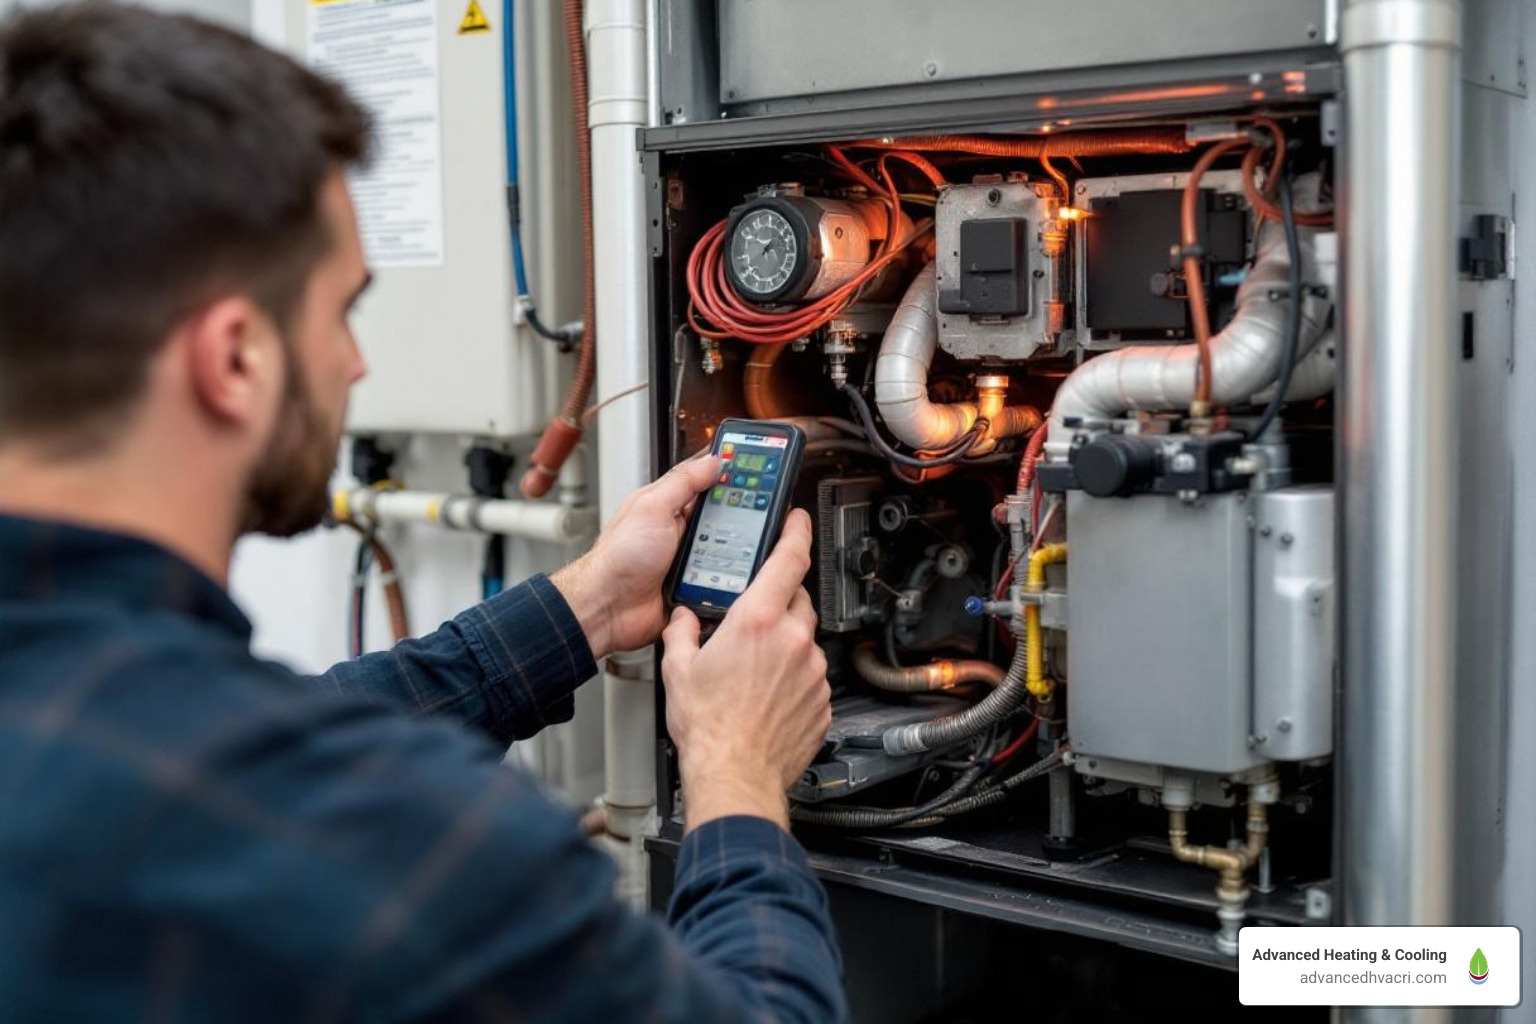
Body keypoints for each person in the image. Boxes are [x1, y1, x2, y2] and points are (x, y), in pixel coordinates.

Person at [0, 3, 843, 1022]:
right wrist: (736, 767)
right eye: (341, 312)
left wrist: (585, 604)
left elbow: (249, 746)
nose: (356, 363)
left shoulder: (118, 733)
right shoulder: (398, 842)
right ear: (233, 359)